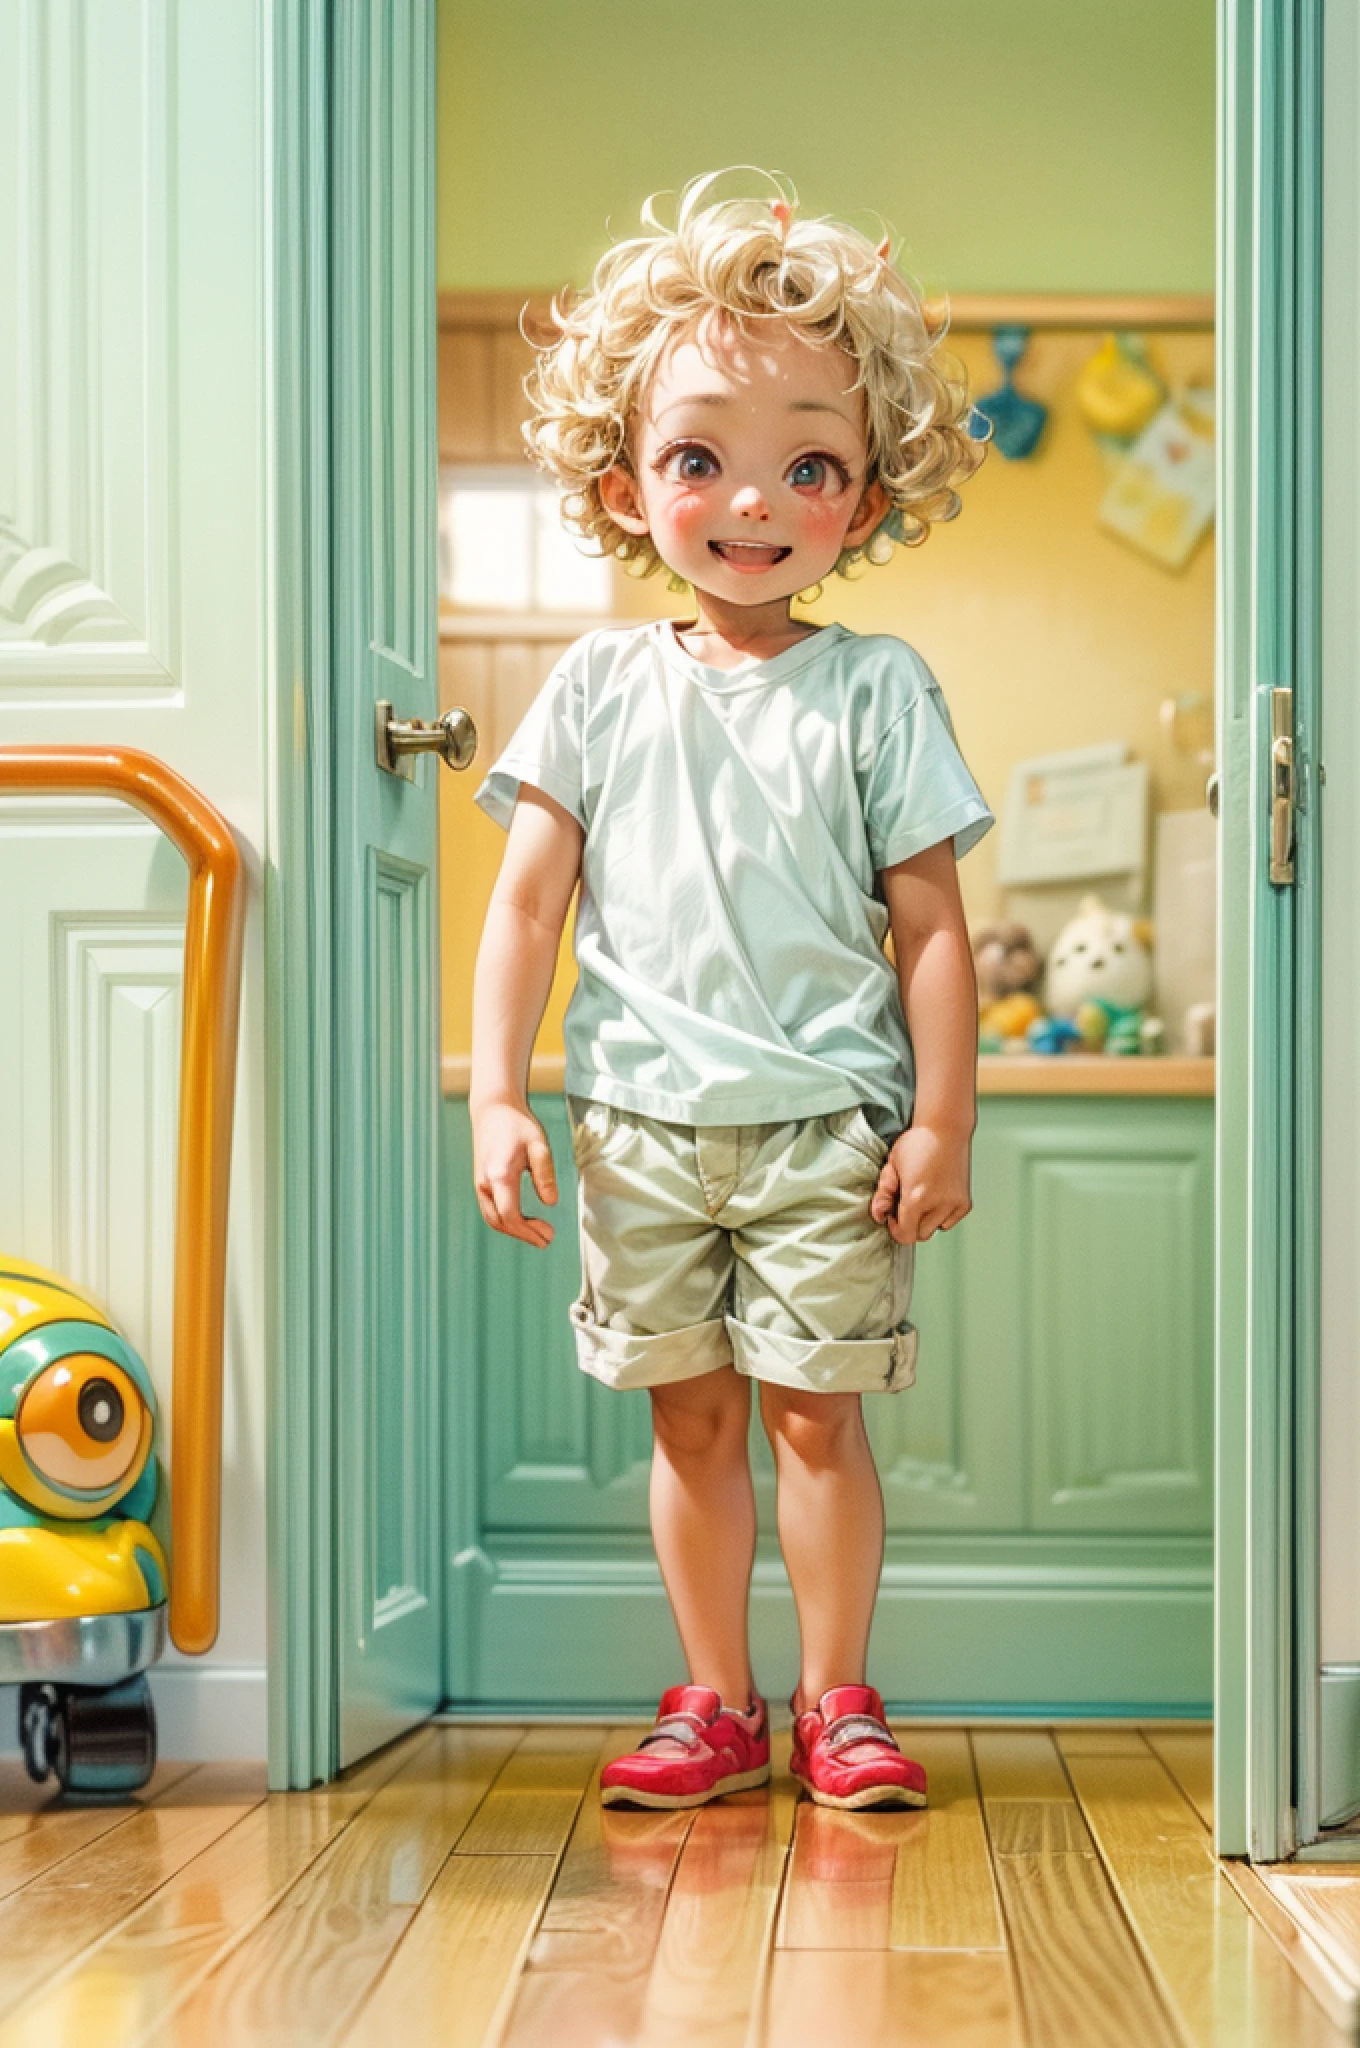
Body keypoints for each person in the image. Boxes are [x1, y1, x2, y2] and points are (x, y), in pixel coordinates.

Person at [469, 171, 993, 1812]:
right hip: (636, 1127)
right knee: (690, 1429)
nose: (751, 502)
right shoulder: (598, 684)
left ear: (869, 490)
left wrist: (946, 1121)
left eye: (808, 464)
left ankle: (840, 1701)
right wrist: (496, 1089)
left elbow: (933, 931)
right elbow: (527, 904)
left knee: (818, 1428)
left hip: (828, 1127)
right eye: (702, 456)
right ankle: (718, 1700)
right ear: (628, 479)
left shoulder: (876, 689)